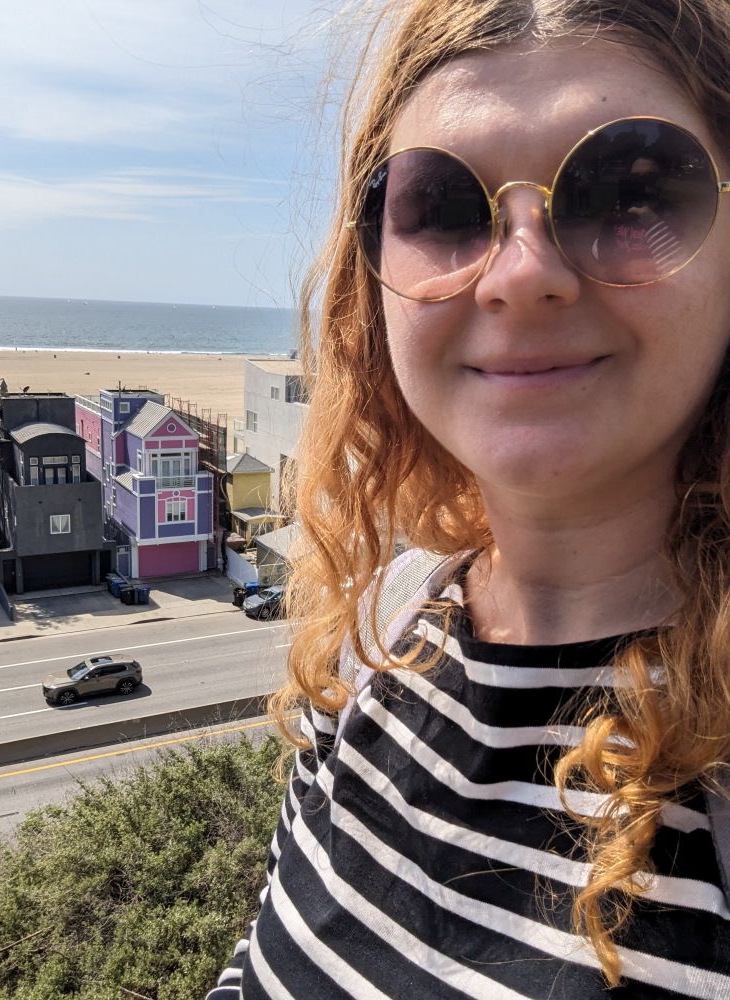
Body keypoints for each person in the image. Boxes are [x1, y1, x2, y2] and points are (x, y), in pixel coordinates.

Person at [207, 1, 730, 996]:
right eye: (446, 207)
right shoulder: (383, 627)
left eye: (628, 191)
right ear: (376, 279)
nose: (520, 276)